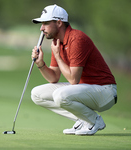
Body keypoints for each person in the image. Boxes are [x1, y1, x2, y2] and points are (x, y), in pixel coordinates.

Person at [31, 4, 117, 135]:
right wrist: (40, 64)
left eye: (46, 23)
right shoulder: (57, 42)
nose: (42, 28)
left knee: (60, 95)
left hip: (105, 91)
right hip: (83, 89)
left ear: (59, 23)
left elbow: (73, 79)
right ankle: (84, 119)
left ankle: (94, 120)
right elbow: (54, 77)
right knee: (36, 94)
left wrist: (58, 56)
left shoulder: (77, 39)